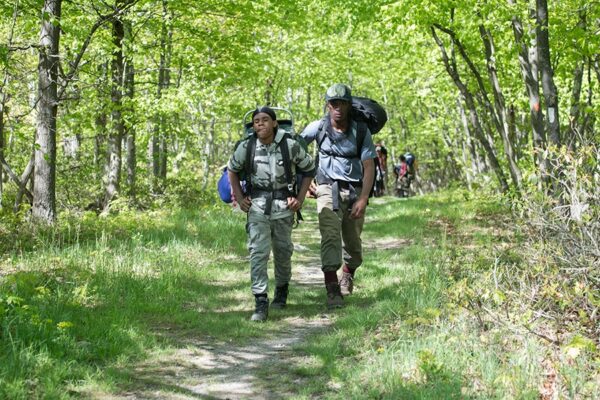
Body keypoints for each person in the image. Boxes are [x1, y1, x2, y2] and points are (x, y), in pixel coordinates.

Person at [228, 106, 316, 321]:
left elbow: (309, 169)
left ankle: (282, 291)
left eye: (265, 120)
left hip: (284, 207)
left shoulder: (290, 145)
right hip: (257, 206)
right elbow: (231, 169)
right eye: (256, 120)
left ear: (274, 123)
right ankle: (260, 301)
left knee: (283, 252)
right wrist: (240, 199)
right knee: (258, 252)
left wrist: (300, 198)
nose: (260, 124)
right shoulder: (247, 146)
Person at [300, 83, 376, 308]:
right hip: (326, 188)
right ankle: (332, 287)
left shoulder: (361, 131)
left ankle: (348, 273)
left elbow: (369, 166)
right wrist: (305, 179)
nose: (338, 108)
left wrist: (363, 198)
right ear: (327, 105)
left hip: (354, 189)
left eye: (342, 103)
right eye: (333, 104)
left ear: (349, 105)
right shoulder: (319, 127)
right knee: (330, 236)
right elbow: (294, 147)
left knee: (353, 242)